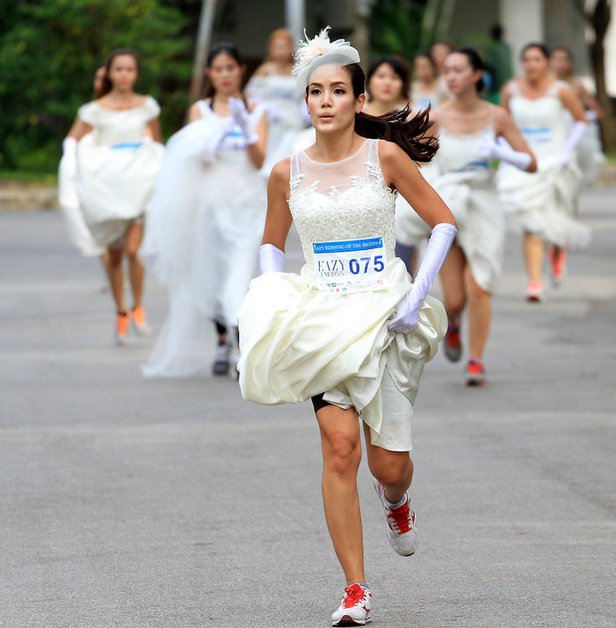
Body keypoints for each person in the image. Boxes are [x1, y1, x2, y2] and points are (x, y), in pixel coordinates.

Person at [236, 27, 456, 626]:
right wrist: (271, 293)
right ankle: (356, 589)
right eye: (315, 91)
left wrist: (417, 293)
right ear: (306, 102)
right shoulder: (286, 173)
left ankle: (397, 500)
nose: (326, 101)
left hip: (385, 314)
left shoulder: (384, 156)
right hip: (322, 317)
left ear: (360, 101)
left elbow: (442, 222)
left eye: (338, 90)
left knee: (387, 466)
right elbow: (270, 244)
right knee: (339, 449)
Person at [396, 48, 536, 386]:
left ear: (477, 74)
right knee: (455, 298)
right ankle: (454, 322)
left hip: (484, 203)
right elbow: (416, 165)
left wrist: (502, 153)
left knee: (481, 285)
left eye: (459, 70)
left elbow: (531, 162)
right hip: (449, 204)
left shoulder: (497, 116)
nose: (452, 77)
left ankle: (476, 360)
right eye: (448, 71)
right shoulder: (435, 117)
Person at [141, 44, 267, 377]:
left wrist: (247, 130)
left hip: (247, 204)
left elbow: (258, 161)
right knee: (211, 270)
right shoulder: (201, 110)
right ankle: (223, 339)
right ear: (210, 73)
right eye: (219, 69)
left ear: (241, 69)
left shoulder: (256, 109)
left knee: (241, 272)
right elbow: (186, 157)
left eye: (231, 68)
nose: (225, 75)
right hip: (210, 203)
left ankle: (243, 345)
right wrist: (206, 148)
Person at [65, 49, 164, 343]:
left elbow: (155, 142)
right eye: (118, 69)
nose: (123, 75)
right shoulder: (94, 109)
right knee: (114, 254)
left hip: (137, 184)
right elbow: (74, 139)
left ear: (136, 74)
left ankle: (138, 306)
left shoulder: (147, 106)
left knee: (134, 250)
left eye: (129, 69)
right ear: (109, 73)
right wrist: (76, 162)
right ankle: (120, 310)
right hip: (106, 188)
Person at [497, 43, 590, 301]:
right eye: (526, 59)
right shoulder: (511, 89)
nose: (531, 65)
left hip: (557, 161)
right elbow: (501, 124)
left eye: (536, 59)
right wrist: (509, 151)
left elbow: (582, 121)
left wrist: (566, 151)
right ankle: (535, 281)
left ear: (546, 62)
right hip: (525, 163)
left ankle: (558, 252)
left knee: (557, 216)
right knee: (531, 223)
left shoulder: (562, 90)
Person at [59, 66, 107, 258]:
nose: (101, 83)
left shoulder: (136, 108)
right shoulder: (88, 112)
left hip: (124, 176)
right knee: (103, 236)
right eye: (98, 78)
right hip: (94, 177)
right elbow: (71, 140)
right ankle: (114, 282)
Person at [245, 28, 306, 174]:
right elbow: (248, 95)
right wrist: (263, 108)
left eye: (284, 46)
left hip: (293, 120)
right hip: (271, 121)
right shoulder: (265, 69)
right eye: (277, 46)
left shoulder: (297, 71)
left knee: (291, 153)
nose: (280, 50)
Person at [550, 45, 605, 186]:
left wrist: (586, 114)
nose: (559, 64)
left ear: (570, 63)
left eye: (563, 60)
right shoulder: (546, 85)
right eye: (556, 59)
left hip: (572, 133)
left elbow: (597, 111)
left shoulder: (578, 85)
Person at [484, 24, 514, 104]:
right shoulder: (506, 47)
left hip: (496, 88)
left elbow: (488, 65)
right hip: (509, 84)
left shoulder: (493, 48)